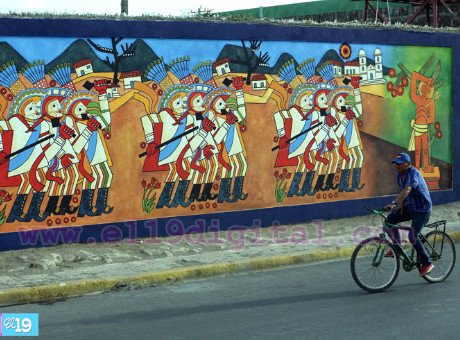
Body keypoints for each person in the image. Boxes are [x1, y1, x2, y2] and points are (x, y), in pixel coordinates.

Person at [384, 152, 434, 277]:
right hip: (410, 207)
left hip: (422, 210)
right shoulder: (400, 176)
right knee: (389, 220)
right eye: (396, 163)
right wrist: (399, 206)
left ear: (408, 163)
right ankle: (397, 247)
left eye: (400, 163)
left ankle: (427, 263)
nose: (398, 165)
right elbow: (405, 194)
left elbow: (407, 189)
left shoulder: (414, 173)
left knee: (413, 235)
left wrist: (394, 203)